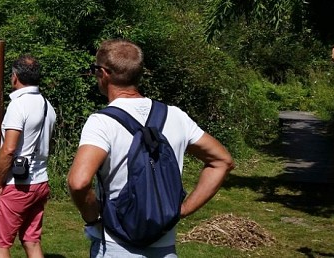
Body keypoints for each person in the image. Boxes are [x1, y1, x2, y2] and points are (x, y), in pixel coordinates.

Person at [68, 39, 235, 257]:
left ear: (104, 73)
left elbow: (78, 182)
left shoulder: (102, 122)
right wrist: (181, 210)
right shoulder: (175, 116)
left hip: (115, 244)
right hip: (164, 246)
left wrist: (93, 218)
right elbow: (223, 161)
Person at [0, 54, 56, 258]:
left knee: (0, 243)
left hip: (17, 184)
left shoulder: (18, 105)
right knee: (31, 239)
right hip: (41, 181)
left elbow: (9, 149)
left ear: (15, 76)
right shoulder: (47, 105)